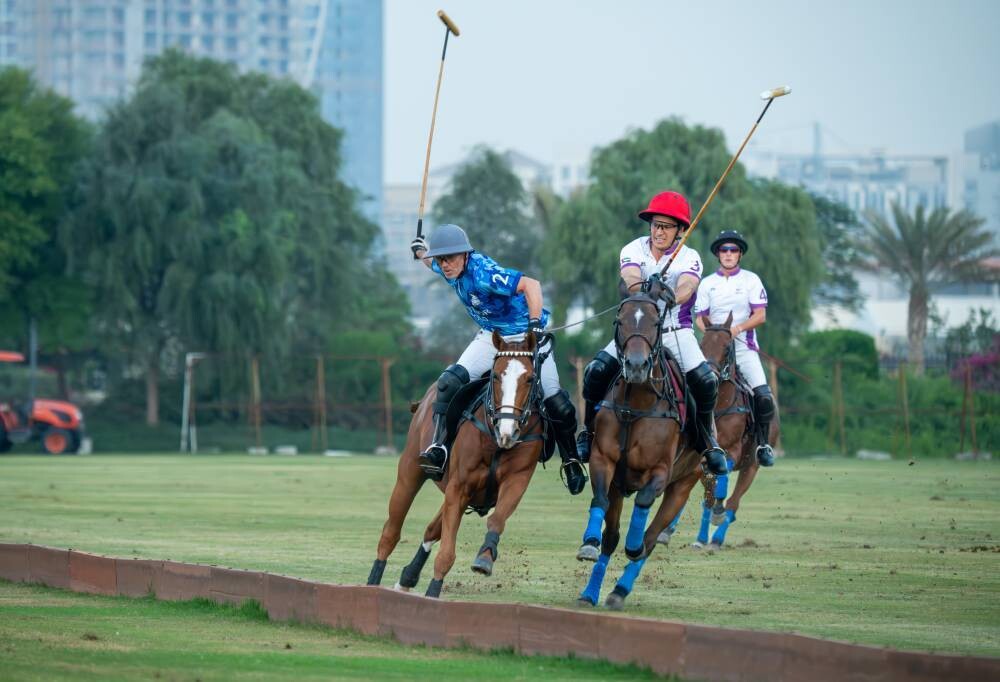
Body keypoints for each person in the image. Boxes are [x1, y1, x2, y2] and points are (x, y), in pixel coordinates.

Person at [409, 224, 588, 494]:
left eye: (450, 258)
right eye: (441, 259)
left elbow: (531, 285)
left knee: (557, 402)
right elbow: (430, 262)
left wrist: (535, 324)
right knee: (448, 382)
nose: (445, 264)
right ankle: (439, 447)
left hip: (526, 337)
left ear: (465, 255)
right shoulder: (450, 268)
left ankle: (571, 459)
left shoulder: (484, 274)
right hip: (492, 336)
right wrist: (421, 251)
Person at [575, 191, 729, 476]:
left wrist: (670, 294)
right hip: (637, 331)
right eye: (656, 225)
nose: (659, 232)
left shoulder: (690, 257)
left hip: (674, 330)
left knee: (706, 381)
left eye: (667, 227)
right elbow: (631, 279)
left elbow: (688, 287)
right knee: (596, 370)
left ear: (680, 230)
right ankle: (587, 432)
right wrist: (646, 289)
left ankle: (708, 441)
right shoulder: (633, 249)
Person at [694, 230, 776, 467]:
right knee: (689, 388)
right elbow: (700, 317)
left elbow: (760, 315)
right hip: (714, 351)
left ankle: (762, 444)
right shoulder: (707, 283)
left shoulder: (751, 280)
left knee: (763, 395)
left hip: (743, 347)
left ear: (740, 254)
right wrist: (714, 334)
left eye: (733, 250)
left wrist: (737, 329)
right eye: (724, 250)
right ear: (718, 254)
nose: (728, 253)